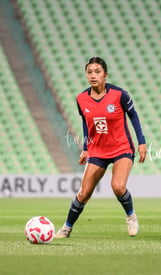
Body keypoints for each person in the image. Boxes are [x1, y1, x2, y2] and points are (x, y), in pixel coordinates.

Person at [55, 57, 147, 238]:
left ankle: (131, 217)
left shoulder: (120, 95)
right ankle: (66, 228)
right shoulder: (81, 99)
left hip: (121, 148)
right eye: (89, 72)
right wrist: (86, 148)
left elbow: (133, 116)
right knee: (83, 193)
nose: (93, 75)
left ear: (105, 74)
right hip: (98, 151)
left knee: (118, 187)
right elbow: (86, 123)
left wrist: (142, 142)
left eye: (97, 71)